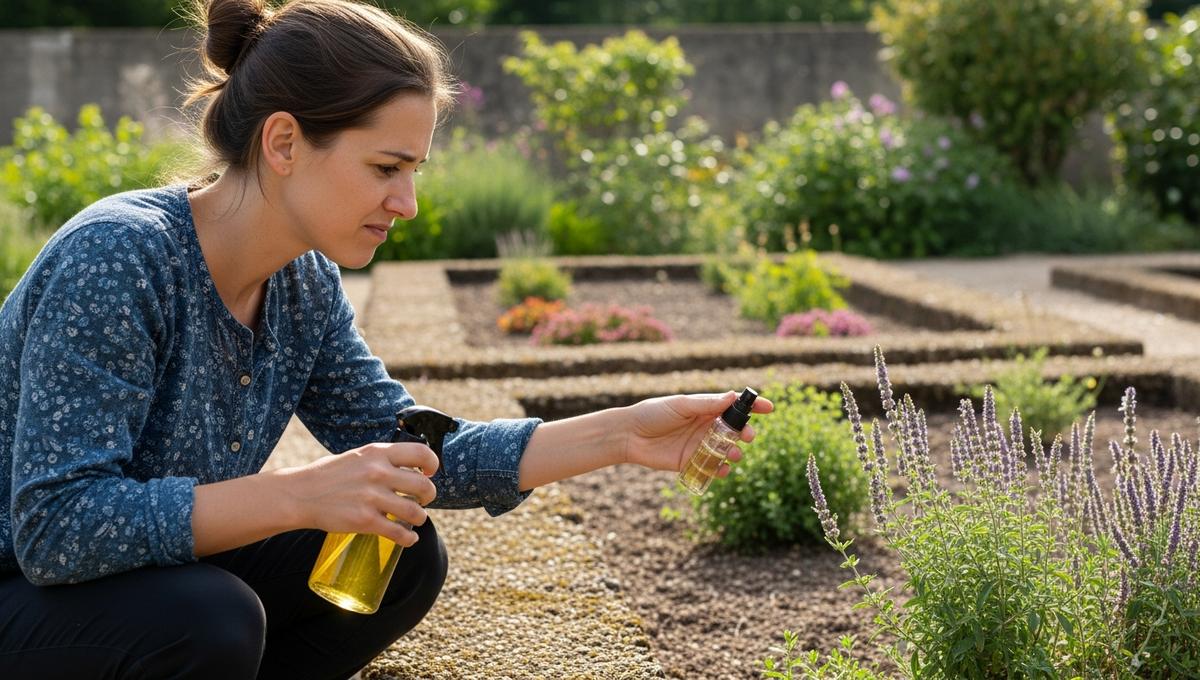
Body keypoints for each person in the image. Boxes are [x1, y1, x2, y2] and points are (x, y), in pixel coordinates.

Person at [0, 0, 771, 678]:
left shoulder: (302, 284)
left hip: (129, 581)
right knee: (207, 619)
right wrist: (300, 494)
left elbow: (422, 448)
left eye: (415, 170)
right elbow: (57, 528)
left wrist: (623, 434)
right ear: (284, 143)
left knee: (401, 551)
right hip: (21, 584)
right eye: (385, 167)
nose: (406, 202)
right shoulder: (119, 256)